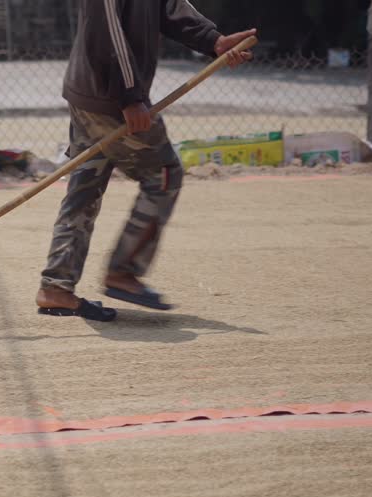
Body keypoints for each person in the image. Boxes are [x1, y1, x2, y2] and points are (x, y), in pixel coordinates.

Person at [37, 2, 256, 321]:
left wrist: (213, 41)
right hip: (109, 97)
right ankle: (122, 273)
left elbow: (168, 5)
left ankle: (56, 286)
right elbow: (106, 31)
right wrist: (130, 98)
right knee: (163, 174)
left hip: (90, 93)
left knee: (86, 187)